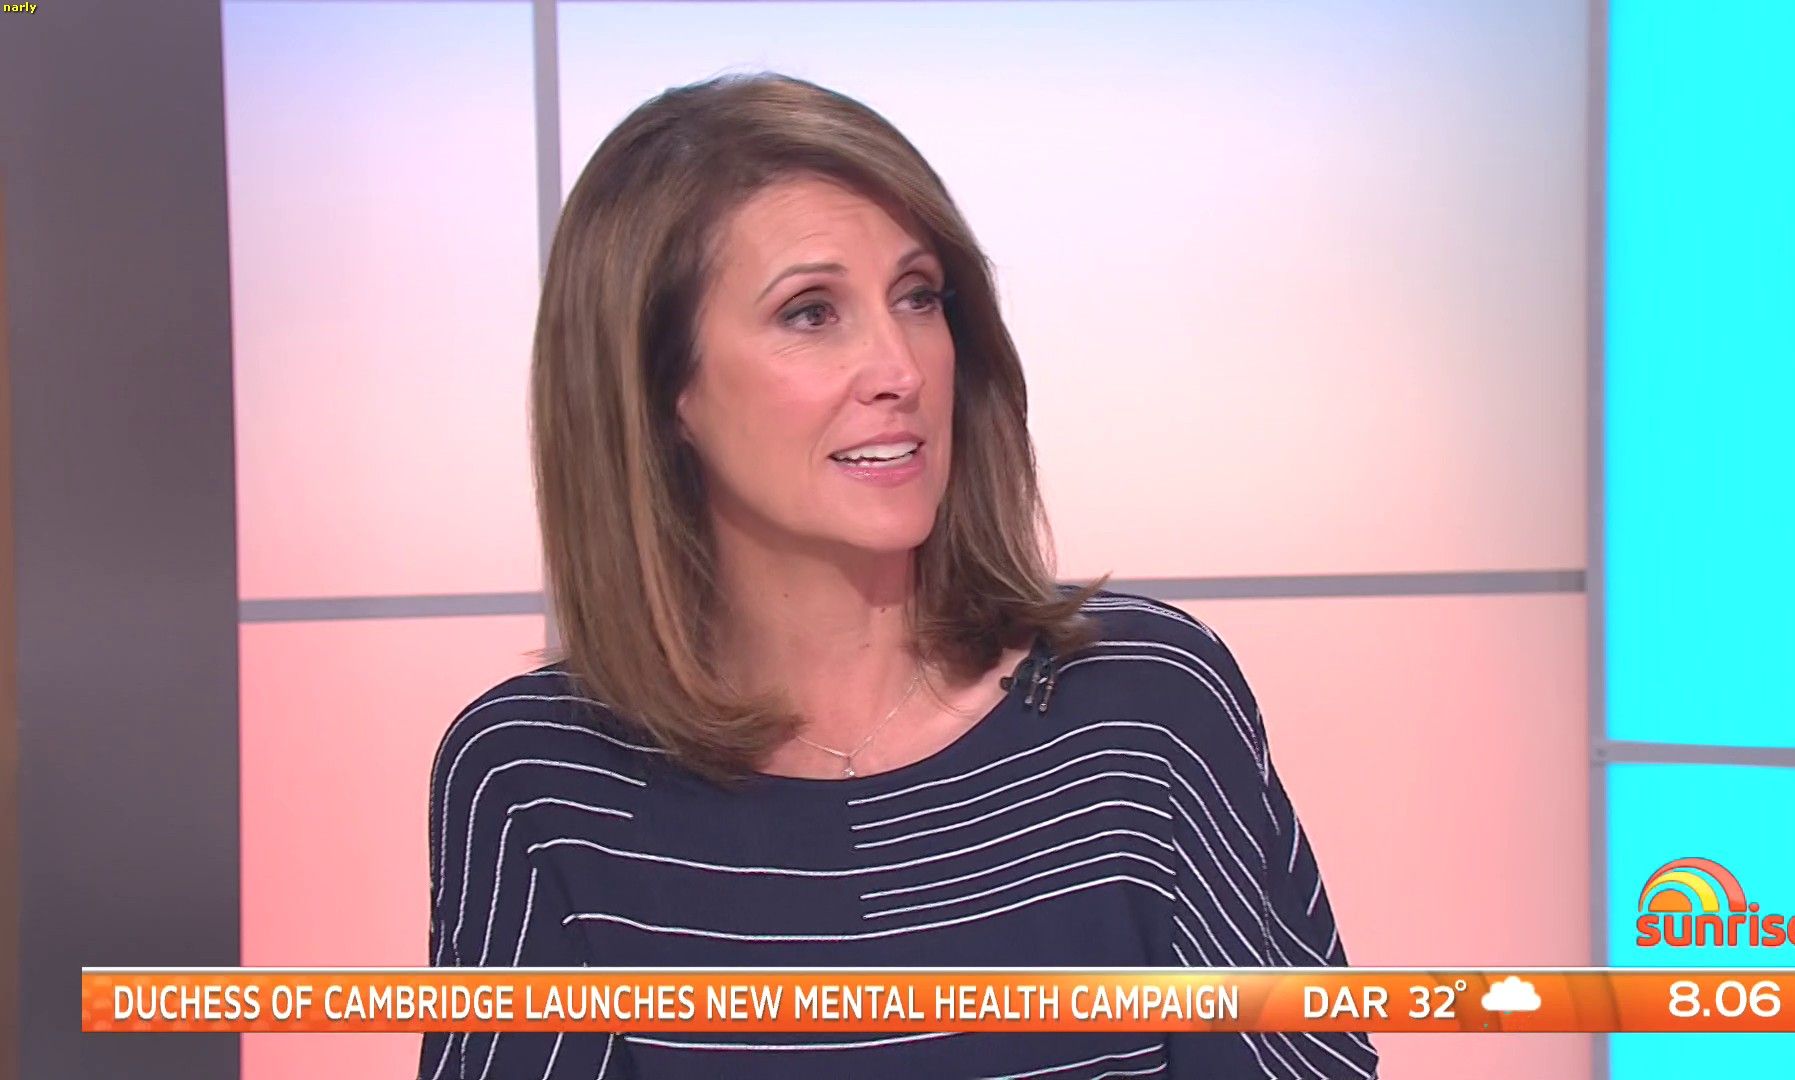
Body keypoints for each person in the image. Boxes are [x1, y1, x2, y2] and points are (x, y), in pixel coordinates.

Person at [420, 71, 1377, 1080]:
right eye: (810, 313)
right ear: (662, 392)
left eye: (918, 297)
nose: (902, 369)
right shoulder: (539, 780)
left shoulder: (1148, 705)